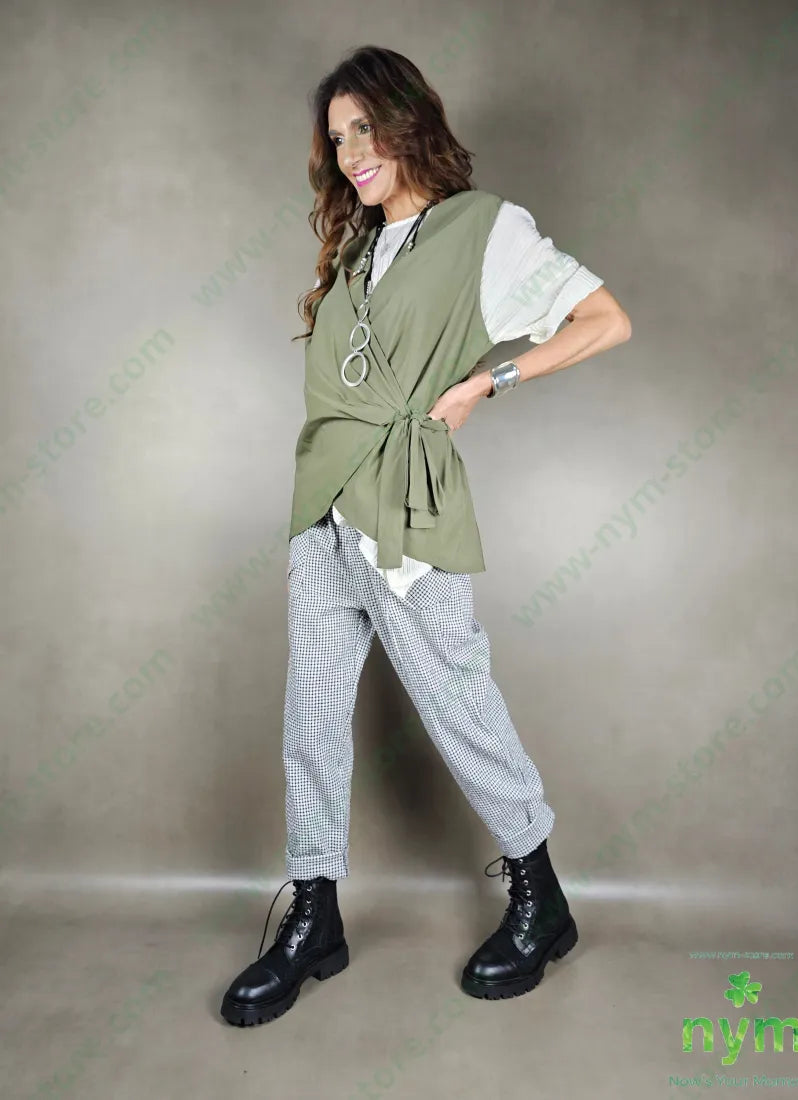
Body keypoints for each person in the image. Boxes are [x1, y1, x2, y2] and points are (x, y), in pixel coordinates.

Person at [220, 44, 631, 1027]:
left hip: (407, 505)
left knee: (456, 699)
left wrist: (490, 380)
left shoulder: (483, 228)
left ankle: (541, 896)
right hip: (322, 503)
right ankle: (314, 914)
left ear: (408, 120)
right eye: (337, 139)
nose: (352, 153)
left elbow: (605, 320)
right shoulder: (357, 251)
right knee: (311, 717)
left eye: (365, 128)